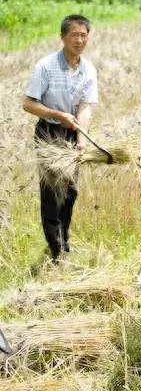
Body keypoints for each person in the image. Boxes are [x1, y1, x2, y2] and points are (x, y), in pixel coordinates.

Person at [22, 14, 98, 262]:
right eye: (74, 35)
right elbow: (28, 103)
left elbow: (86, 107)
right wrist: (56, 114)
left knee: (71, 190)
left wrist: (81, 139)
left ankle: (64, 241)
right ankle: (55, 249)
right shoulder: (46, 66)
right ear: (63, 37)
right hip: (49, 131)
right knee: (51, 192)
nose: (79, 40)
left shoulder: (88, 69)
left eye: (83, 35)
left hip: (72, 132)